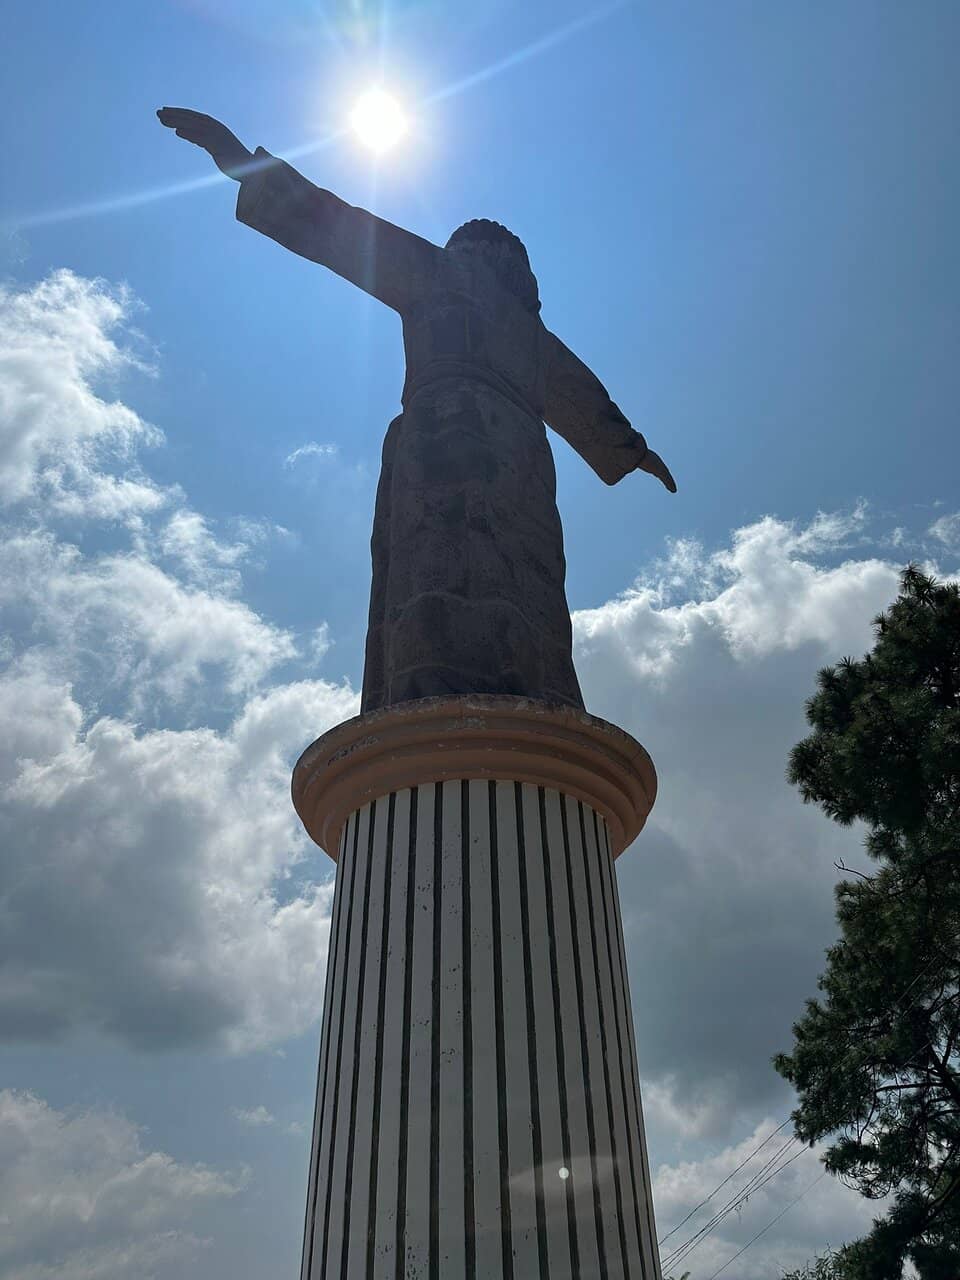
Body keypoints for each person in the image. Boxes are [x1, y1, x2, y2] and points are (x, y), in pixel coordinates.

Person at [158, 108, 677, 712]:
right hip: (495, 451)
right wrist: (632, 452)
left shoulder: (457, 282)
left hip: (462, 441)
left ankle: (448, 689)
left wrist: (241, 161)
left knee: (466, 569)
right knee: (493, 573)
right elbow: (590, 402)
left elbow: (341, 226)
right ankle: (503, 693)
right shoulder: (517, 326)